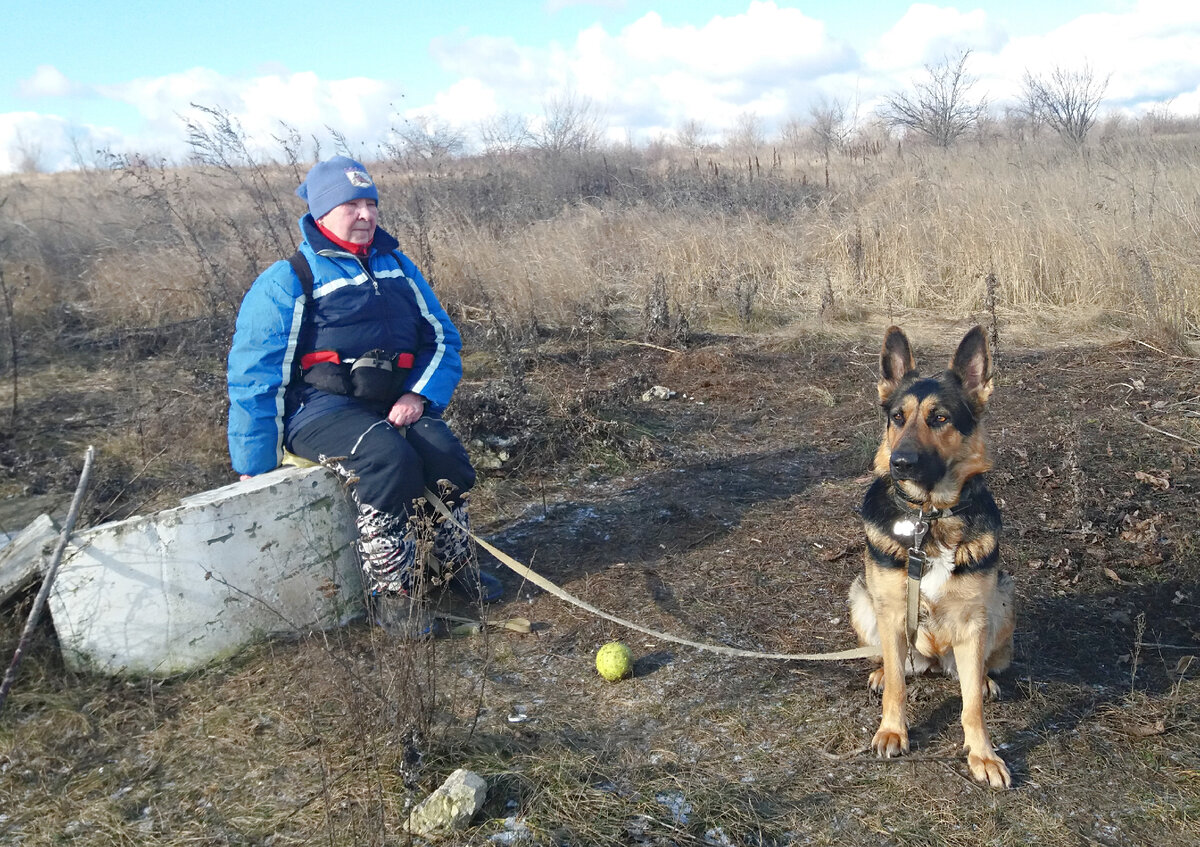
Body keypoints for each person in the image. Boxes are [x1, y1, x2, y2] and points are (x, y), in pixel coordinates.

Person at [227, 155, 501, 636]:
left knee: (448, 460)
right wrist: (254, 460)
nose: (366, 215)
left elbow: (442, 338)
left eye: (371, 203)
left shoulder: (398, 267)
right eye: (351, 204)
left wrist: (418, 395)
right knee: (386, 459)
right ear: (321, 213)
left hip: (393, 399)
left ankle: (450, 566)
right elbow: (255, 375)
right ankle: (393, 595)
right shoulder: (288, 279)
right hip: (319, 409)